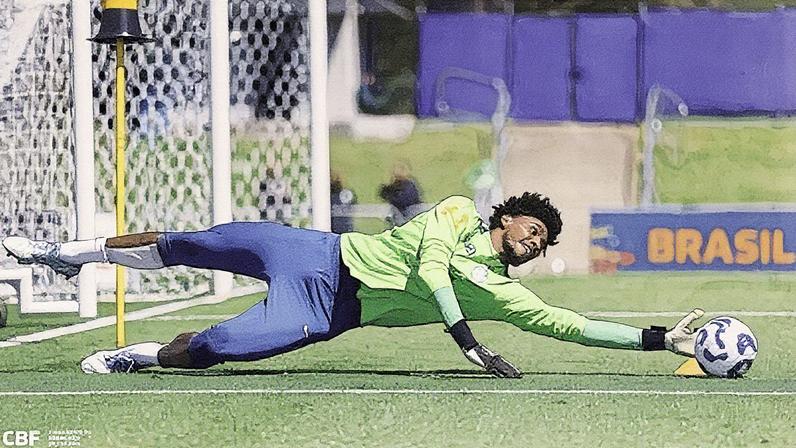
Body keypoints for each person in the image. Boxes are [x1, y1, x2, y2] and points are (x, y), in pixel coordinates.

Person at [2, 193, 703, 377]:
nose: (535, 242)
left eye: (543, 245)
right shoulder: (458, 210)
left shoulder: (502, 292)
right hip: (316, 250)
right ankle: (66, 253)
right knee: (195, 242)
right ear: (511, 215)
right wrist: (467, 346)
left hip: (331, 306)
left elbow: (567, 325)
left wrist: (655, 339)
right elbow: (431, 267)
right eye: (533, 229)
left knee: (217, 346)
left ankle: (139, 355)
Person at [378, 161, 424, 226]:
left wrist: (389, 196)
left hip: (410, 214)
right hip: (404, 213)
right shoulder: (397, 184)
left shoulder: (409, 184)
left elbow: (404, 200)